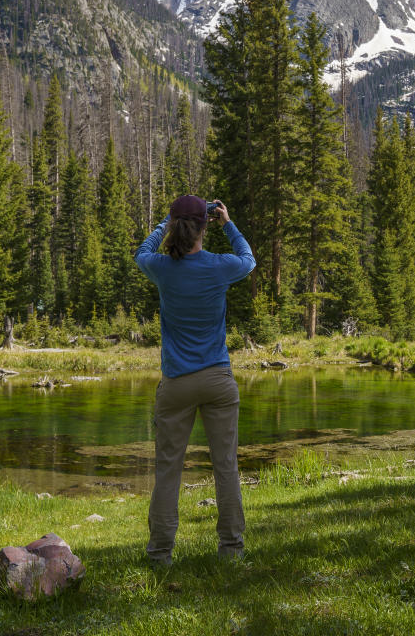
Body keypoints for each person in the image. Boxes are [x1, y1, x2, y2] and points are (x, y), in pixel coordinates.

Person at [134, 194, 256, 567]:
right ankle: (231, 551)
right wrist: (228, 222)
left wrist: (161, 225)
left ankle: (160, 554)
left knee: (169, 469)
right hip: (218, 379)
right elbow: (249, 260)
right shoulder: (220, 267)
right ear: (204, 226)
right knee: (226, 467)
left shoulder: (161, 267)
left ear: (175, 227)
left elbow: (141, 253)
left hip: (176, 383)